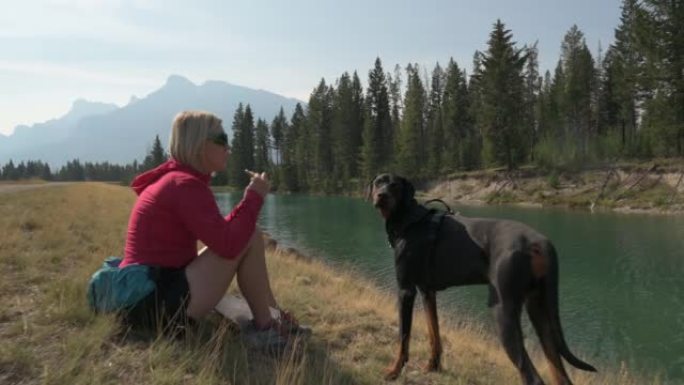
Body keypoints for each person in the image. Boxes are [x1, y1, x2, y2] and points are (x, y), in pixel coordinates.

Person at [120, 110, 307, 346]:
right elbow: (229, 245)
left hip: (149, 298)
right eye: (221, 140)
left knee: (246, 233)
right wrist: (253, 197)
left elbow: (220, 234)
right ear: (199, 145)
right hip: (158, 309)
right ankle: (265, 326)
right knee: (248, 235)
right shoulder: (184, 185)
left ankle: (273, 315)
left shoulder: (177, 180)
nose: (227, 147)